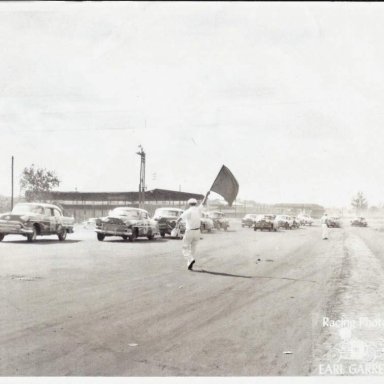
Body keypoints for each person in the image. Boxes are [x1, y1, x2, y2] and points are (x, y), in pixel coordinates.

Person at [176, 191, 210, 270]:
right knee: (193, 248)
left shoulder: (188, 211)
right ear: (195, 203)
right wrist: (206, 195)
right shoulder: (198, 209)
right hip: (197, 232)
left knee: (185, 248)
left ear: (189, 204)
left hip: (189, 231)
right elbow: (204, 202)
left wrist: (176, 225)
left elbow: (179, 219)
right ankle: (189, 264)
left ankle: (190, 260)